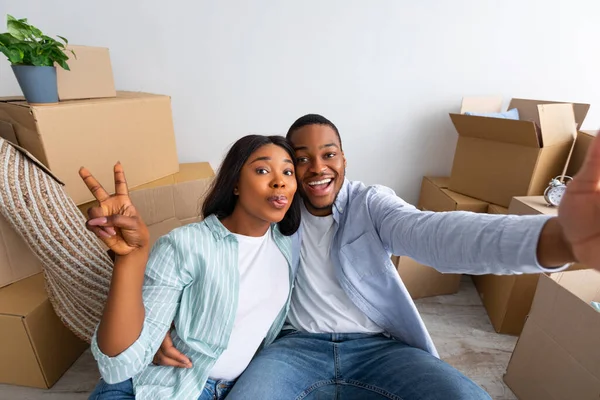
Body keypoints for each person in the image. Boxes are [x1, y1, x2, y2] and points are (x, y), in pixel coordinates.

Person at [159, 113, 600, 399]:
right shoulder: (272, 209)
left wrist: (559, 238)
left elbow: (436, 234)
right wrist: (164, 319)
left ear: (344, 160)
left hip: (378, 348)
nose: (317, 168)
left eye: (328, 154)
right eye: (301, 160)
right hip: (292, 349)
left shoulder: (371, 203)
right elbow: (208, 253)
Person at [83, 135, 301, 400]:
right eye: (262, 170)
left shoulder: (286, 244)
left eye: (288, 172)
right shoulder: (186, 244)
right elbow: (119, 365)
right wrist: (131, 257)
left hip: (236, 389)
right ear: (235, 184)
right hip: (158, 388)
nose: (279, 180)